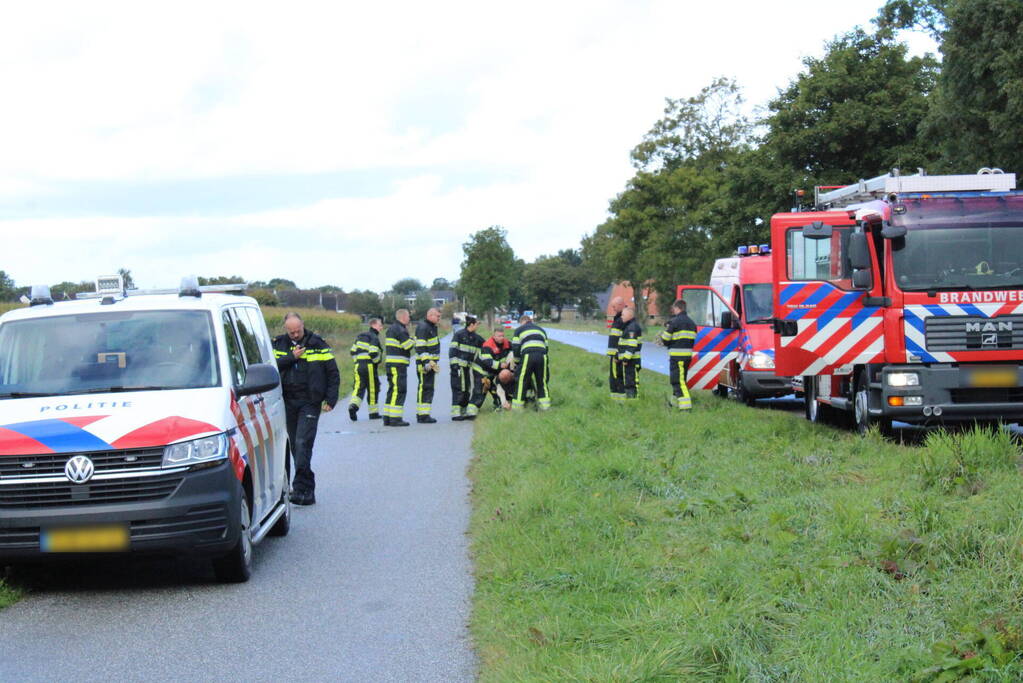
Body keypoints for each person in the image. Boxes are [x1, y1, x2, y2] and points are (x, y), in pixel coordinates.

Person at [272, 312, 340, 505]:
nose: (295, 334)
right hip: (288, 401)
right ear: (286, 330)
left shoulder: (317, 343)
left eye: (298, 331)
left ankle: (301, 488)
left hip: (310, 401)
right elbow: (271, 367)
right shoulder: (278, 344)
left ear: (303, 325)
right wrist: (291, 357)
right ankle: (307, 490)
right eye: (291, 332)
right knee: (295, 446)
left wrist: (331, 398)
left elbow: (332, 373)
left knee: (303, 443)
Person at [660, 299, 697, 411]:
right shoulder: (692, 323)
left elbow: (665, 339)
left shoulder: (674, 322)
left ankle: (686, 407)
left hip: (677, 357)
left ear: (677, 308)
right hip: (687, 356)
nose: (673, 310)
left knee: (677, 381)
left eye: (674, 308)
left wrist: (666, 336)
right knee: (681, 379)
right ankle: (674, 403)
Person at [511, 313, 550, 411]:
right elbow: (546, 347)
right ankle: (545, 407)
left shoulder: (519, 330)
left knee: (522, 381)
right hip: (542, 356)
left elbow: (516, 347)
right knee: (542, 381)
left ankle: (517, 408)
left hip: (528, 355)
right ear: (530, 321)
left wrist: (517, 362)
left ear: (522, 322)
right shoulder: (541, 330)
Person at [348, 317, 384, 421]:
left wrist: (357, 362)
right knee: (373, 389)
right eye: (380, 325)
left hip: (358, 366)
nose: (381, 327)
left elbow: (352, 351)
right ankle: (373, 413)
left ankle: (353, 406)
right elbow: (373, 353)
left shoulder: (360, 336)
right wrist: (377, 361)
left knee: (358, 387)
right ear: (374, 325)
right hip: (369, 366)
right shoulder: (374, 337)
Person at [383, 309, 414, 427]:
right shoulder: (400, 329)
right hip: (398, 365)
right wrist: (414, 340)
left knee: (392, 390)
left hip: (392, 364)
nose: (409, 318)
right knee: (399, 390)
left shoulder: (392, 328)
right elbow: (408, 346)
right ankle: (395, 418)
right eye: (408, 316)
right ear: (403, 317)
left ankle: (387, 417)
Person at [449, 315, 484, 420]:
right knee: (459, 388)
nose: (477, 326)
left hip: (467, 368)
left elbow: (487, 346)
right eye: (476, 324)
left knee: (466, 389)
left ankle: (463, 411)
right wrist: (454, 365)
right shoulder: (459, 335)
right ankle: (455, 413)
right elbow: (452, 350)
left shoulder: (476, 338)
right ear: (472, 324)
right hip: (458, 368)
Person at [413, 307, 441, 424]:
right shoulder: (423, 327)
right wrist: (426, 362)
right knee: (424, 388)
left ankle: (424, 414)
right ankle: (422, 415)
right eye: (437, 316)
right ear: (430, 315)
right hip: (425, 364)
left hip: (431, 364)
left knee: (428, 388)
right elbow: (420, 347)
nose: (439, 318)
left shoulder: (431, 327)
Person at [479, 328, 514, 410]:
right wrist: (500, 365)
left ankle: (505, 401)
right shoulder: (487, 345)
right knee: (486, 387)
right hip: (488, 371)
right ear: (494, 336)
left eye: (502, 336)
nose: (501, 338)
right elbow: (487, 362)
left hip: (501, 370)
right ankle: (497, 402)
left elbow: (514, 353)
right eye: (499, 336)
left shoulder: (507, 343)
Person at [617, 306, 643, 402]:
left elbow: (632, 345)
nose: (621, 317)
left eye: (623, 315)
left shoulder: (632, 327)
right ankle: (631, 399)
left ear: (629, 315)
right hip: (630, 360)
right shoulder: (629, 326)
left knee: (632, 382)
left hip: (632, 360)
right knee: (629, 381)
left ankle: (634, 401)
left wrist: (625, 359)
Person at [606, 296, 626, 403]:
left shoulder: (624, 318)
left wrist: (618, 354)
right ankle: (615, 401)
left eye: (614, 307)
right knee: (614, 377)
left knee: (618, 377)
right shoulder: (619, 318)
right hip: (615, 354)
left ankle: (620, 401)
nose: (613, 309)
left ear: (620, 305)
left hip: (619, 355)